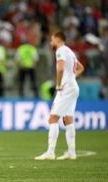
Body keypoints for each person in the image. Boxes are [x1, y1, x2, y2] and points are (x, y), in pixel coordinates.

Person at [35, 32, 84, 160]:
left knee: (53, 118)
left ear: (58, 39)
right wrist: (72, 78)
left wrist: (58, 84)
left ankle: (50, 152)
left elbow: (60, 69)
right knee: (68, 118)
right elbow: (81, 68)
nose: (51, 43)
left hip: (66, 88)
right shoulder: (70, 51)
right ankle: (71, 152)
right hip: (73, 87)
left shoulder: (60, 50)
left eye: (52, 40)